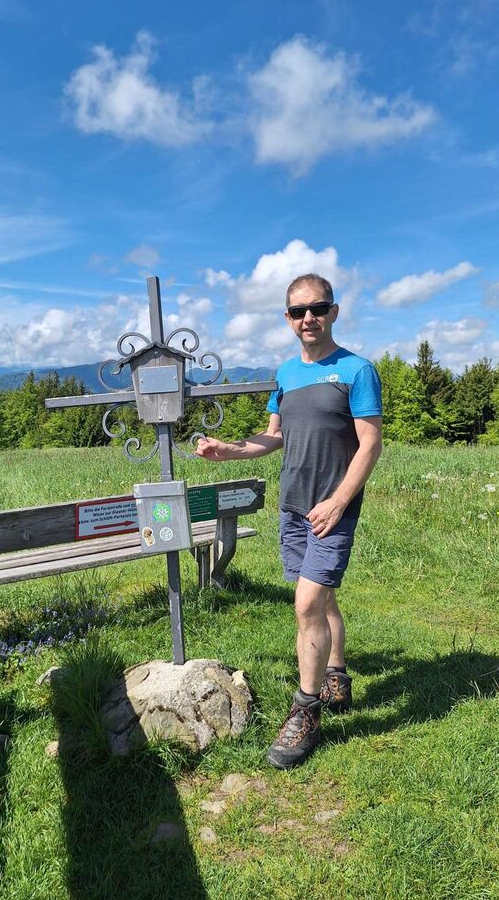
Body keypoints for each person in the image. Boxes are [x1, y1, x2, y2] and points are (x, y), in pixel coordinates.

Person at [195, 273, 382, 768]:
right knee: (322, 598)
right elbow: (274, 435)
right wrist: (228, 450)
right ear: (287, 318)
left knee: (306, 605)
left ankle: (305, 713)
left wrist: (338, 502)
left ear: (334, 312)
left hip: (331, 509)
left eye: (318, 308)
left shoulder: (357, 370)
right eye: (299, 311)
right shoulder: (286, 373)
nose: (308, 318)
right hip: (294, 506)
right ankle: (336, 675)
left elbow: (370, 444)